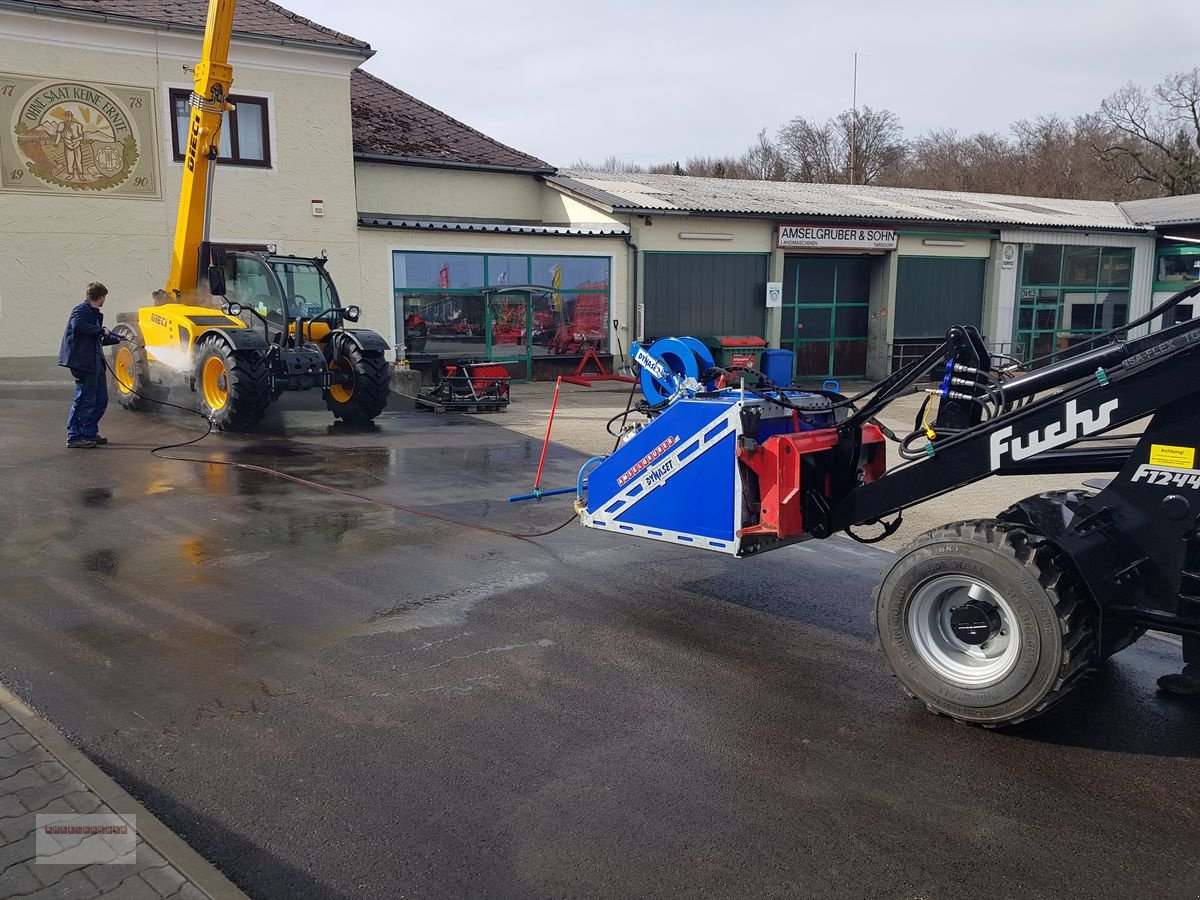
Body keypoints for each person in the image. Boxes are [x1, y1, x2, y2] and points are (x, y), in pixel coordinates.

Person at [58, 282, 126, 448]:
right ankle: (74, 436)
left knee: (100, 399)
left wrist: (116, 339)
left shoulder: (95, 314)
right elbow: (79, 326)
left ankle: (89, 432)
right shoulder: (81, 310)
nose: (105, 300)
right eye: (105, 297)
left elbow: (94, 338)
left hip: (95, 363)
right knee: (84, 399)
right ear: (100, 297)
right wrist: (101, 331)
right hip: (83, 362)